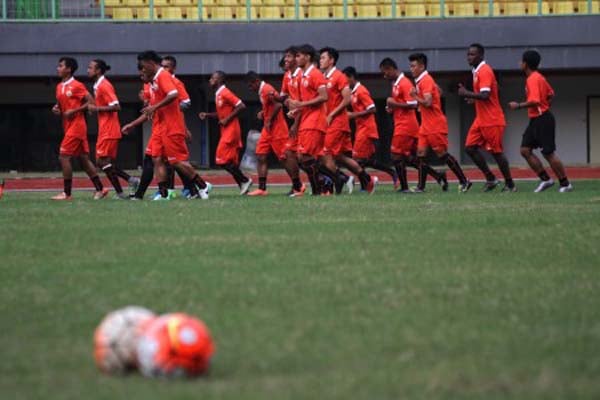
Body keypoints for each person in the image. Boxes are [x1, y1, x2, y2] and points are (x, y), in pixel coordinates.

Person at [129, 51, 209, 200]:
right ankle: (164, 194)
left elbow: (173, 95)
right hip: (160, 127)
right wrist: (132, 124)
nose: (142, 70)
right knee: (157, 159)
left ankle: (203, 186)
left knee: (177, 161)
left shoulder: (162, 76)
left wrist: (155, 107)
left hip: (171, 126)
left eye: (143, 66)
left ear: (150, 62)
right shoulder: (153, 82)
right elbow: (151, 109)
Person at [379, 58, 447, 193]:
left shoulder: (404, 83)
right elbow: (402, 103)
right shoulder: (396, 83)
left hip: (406, 126)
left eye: (385, 72)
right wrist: (392, 108)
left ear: (391, 69)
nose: (384, 75)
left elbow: (413, 104)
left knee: (395, 156)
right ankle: (437, 175)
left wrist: (394, 104)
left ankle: (404, 187)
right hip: (403, 124)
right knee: (408, 158)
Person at [508, 49, 572, 192]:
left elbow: (535, 100)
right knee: (525, 150)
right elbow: (551, 94)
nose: (519, 63)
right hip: (536, 119)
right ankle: (546, 179)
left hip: (543, 119)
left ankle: (565, 183)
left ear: (525, 64)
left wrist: (518, 105)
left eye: (521, 61)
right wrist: (545, 105)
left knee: (548, 153)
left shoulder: (533, 79)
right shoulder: (539, 77)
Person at [408, 53, 471, 193]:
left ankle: (464, 180)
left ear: (422, 66)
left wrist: (414, 96)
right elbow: (439, 92)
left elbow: (428, 102)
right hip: (426, 125)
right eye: (410, 66)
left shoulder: (425, 80)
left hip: (435, 125)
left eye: (413, 66)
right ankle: (421, 187)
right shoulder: (422, 80)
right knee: (421, 154)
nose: (411, 69)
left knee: (442, 155)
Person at [458, 43, 515, 192]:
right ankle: (490, 178)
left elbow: (485, 95)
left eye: (473, 54)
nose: (469, 57)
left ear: (481, 56)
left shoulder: (484, 70)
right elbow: (484, 96)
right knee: (469, 148)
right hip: (481, 119)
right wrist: (473, 99)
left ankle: (510, 185)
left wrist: (467, 93)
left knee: (496, 153)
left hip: (492, 119)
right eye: (468, 54)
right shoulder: (476, 71)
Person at [319, 47, 376, 195]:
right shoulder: (323, 78)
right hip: (332, 122)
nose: (320, 60)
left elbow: (347, 99)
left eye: (323, 57)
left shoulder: (339, 76)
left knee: (325, 154)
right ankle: (367, 180)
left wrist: (331, 114)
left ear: (331, 60)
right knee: (340, 157)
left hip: (337, 122)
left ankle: (336, 182)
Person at [51, 57, 108, 200]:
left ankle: (67, 193)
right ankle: (101, 189)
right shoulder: (59, 87)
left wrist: (75, 110)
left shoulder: (77, 85)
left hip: (77, 127)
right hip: (69, 126)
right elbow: (61, 105)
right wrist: (57, 108)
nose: (58, 68)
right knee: (83, 159)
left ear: (69, 69)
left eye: (60, 66)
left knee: (63, 157)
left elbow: (91, 102)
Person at [87, 59, 140, 199]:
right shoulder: (97, 85)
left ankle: (121, 191)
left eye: (90, 68)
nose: (88, 70)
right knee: (103, 162)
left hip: (109, 129)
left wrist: (96, 108)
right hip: (105, 128)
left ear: (98, 70)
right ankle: (130, 182)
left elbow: (116, 106)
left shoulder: (104, 85)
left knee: (102, 162)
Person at [245, 71, 304, 196]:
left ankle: (298, 185)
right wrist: (263, 112)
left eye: (250, 85)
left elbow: (278, 105)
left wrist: (270, 119)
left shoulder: (267, 89)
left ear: (256, 81)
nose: (250, 89)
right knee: (260, 155)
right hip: (268, 129)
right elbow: (271, 106)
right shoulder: (262, 90)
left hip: (278, 129)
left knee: (284, 158)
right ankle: (262, 188)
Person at [199, 71, 253, 195]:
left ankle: (245, 180)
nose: (210, 80)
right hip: (227, 130)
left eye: (212, 78)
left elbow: (241, 105)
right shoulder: (218, 94)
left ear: (219, 80)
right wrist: (207, 115)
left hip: (231, 130)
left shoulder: (224, 92)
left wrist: (227, 119)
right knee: (232, 161)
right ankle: (243, 187)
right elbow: (223, 114)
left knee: (221, 160)